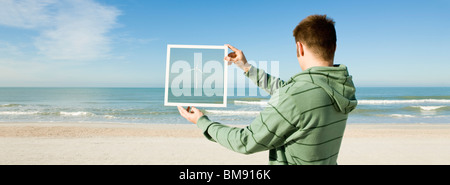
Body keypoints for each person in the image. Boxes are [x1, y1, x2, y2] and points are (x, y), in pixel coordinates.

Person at [177, 14, 357, 165]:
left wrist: (202, 122)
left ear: (299, 47)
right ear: (334, 46)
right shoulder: (340, 86)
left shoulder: (296, 95)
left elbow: (245, 141)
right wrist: (245, 66)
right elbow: (286, 90)